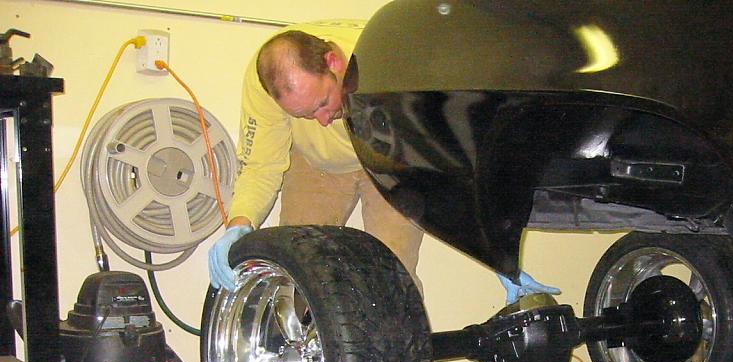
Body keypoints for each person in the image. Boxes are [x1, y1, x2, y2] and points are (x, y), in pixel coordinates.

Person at [208, 21, 560, 304]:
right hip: (317, 164)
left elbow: (450, 164)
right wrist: (239, 224)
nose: (322, 120)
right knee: (296, 269)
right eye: (304, 115)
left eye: (323, 103)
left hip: (391, 160)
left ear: (335, 63)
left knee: (394, 278)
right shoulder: (266, 83)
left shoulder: (393, 62)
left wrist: (496, 257)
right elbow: (261, 167)